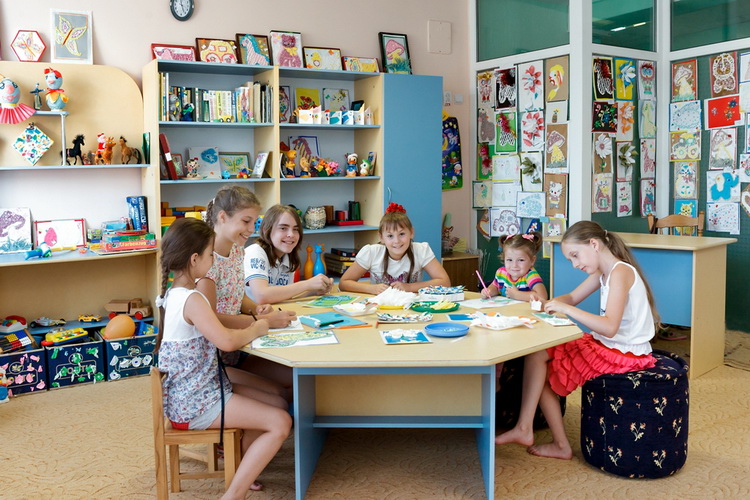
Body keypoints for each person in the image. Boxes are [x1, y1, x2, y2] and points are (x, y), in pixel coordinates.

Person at [495, 221, 659, 460]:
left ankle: (551, 440)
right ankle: (526, 428)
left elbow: (610, 327)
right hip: (609, 345)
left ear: (594, 244)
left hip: (625, 353)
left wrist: (566, 309)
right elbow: (572, 297)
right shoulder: (603, 272)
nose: (575, 264)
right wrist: (548, 304)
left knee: (542, 365)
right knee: (538, 355)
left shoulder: (620, 272)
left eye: (575, 255)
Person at [155, 217, 291, 497]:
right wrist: (257, 327)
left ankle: (240, 468)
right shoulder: (192, 299)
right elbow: (227, 342)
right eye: (209, 255)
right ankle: (234, 494)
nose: (213, 260)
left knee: (278, 402)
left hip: (196, 390)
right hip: (194, 403)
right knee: (280, 422)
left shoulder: (176, 294)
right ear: (195, 259)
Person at [196, 185, 295, 399]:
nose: (251, 229)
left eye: (254, 222)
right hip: (212, 361)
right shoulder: (206, 260)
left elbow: (236, 295)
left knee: (294, 381)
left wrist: (256, 309)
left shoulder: (236, 250)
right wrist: (262, 321)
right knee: (280, 395)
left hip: (239, 347)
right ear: (223, 217)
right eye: (246, 221)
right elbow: (211, 318)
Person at [339, 202, 450, 294]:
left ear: (411, 233)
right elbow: (343, 283)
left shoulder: (421, 250)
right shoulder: (371, 252)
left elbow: (445, 282)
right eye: (390, 236)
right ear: (381, 237)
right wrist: (372, 289)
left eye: (402, 234)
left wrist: (409, 287)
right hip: (379, 307)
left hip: (410, 306)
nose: (396, 241)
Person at [244, 204, 333, 304]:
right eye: (283, 228)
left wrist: (313, 291)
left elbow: (285, 296)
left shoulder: (288, 257)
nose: (291, 234)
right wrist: (307, 284)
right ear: (266, 230)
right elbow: (262, 296)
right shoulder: (255, 252)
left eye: (295, 229)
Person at [480, 232, 548, 302]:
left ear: (532, 260)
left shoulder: (531, 275)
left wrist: (516, 295)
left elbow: (542, 296)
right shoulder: (501, 273)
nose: (514, 265)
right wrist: (489, 291)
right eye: (509, 260)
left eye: (521, 260)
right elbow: (495, 287)